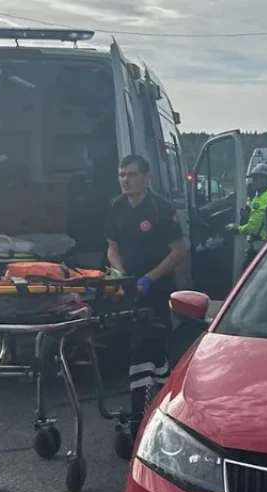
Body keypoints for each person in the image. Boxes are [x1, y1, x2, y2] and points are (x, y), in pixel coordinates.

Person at [105, 154, 189, 437]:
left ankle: (146, 414)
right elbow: (112, 248)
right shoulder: (116, 207)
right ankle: (140, 410)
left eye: (131, 175)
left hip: (156, 289)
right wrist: (120, 274)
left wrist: (149, 279)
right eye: (121, 175)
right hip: (129, 289)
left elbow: (178, 252)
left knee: (150, 348)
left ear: (146, 178)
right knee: (132, 349)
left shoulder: (160, 209)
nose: (126, 180)